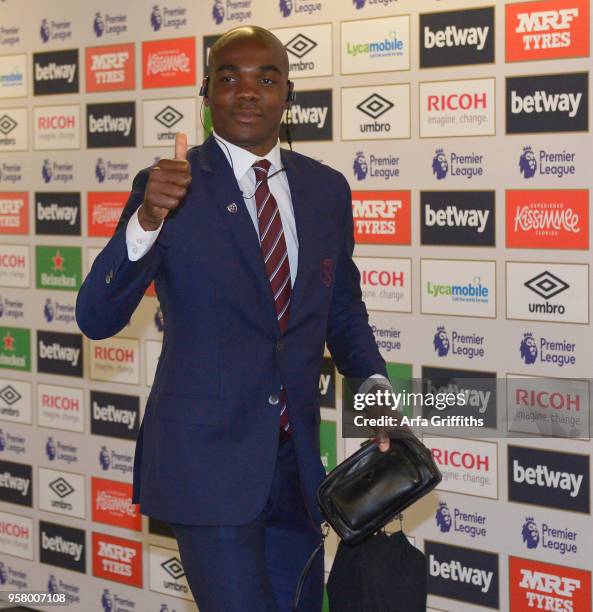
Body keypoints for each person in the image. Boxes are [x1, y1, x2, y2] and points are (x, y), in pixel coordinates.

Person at [76, 25, 390, 612]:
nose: (248, 92)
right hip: (208, 467)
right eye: (229, 79)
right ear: (206, 95)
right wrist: (145, 221)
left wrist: (374, 390)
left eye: (266, 79)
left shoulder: (326, 190)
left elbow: (342, 310)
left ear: (288, 95)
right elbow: (96, 316)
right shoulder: (170, 187)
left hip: (298, 475)